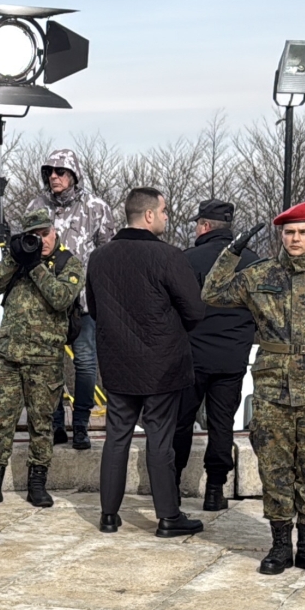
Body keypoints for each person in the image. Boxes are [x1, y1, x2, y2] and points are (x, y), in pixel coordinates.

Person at [203, 202, 305, 574]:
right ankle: (279, 547)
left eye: (303, 232)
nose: (295, 238)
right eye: (289, 232)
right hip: (273, 390)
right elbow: (211, 293)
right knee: (274, 470)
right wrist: (232, 252)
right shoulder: (260, 274)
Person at [85, 187, 207, 536]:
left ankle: (109, 515)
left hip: (117, 362)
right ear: (149, 215)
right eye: (164, 211)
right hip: (161, 366)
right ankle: (168, 517)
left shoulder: (99, 257)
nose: (167, 217)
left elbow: (94, 309)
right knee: (159, 440)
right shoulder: (168, 256)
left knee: (116, 438)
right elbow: (195, 310)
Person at [0, 209, 81, 511]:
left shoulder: (67, 263)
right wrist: (16, 259)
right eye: (34, 236)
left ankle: (37, 483)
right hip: (9, 356)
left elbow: (61, 298)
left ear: (54, 232)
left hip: (45, 358)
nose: (41, 241)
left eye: (45, 234)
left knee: (41, 424)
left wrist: (35, 267)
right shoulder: (17, 260)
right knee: (0, 421)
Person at [23, 149, 113, 448]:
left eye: (60, 171)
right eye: (49, 171)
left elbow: (108, 253)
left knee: (86, 363)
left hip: (84, 302)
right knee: (50, 364)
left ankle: (82, 424)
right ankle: (56, 423)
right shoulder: (36, 205)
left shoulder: (96, 207)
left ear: (73, 174)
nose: (54, 176)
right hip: (46, 301)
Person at [174, 198, 259, 511]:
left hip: (192, 356)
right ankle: (214, 490)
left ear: (205, 226)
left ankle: (172, 485)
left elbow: (175, 307)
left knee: (181, 422)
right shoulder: (253, 261)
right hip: (232, 358)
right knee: (222, 425)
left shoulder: (188, 259)